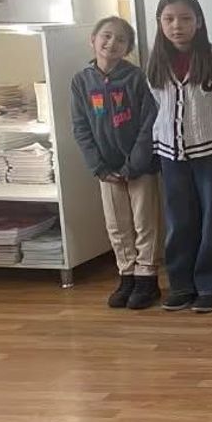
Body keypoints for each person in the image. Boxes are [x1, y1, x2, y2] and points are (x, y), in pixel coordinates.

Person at [146, 0, 212, 313]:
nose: (177, 26)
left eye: (185, 18)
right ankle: (182, 284)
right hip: (171, 154)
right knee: (179, 220)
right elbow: (159, 103)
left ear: (198, 22)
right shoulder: (156, 62)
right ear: (160, 23)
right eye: (169, 19)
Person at [70, 16, 161, 310]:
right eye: (106, 36)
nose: (112, 43)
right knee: (117, 224)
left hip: (140, 167)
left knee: (144, 221)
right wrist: (98, 166)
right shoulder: (81, 82)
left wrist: (135, 163)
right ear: (93, 40)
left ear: (128, 48)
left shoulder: (136, 78)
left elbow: (148, 123)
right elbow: (81, 127)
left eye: (121, 40)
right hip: (107, 170)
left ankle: (147, 276)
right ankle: (127, 273)